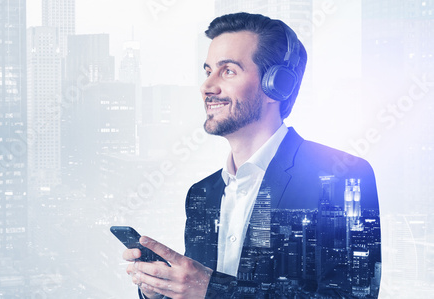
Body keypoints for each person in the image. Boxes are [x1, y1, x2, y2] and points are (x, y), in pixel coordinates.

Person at [122, 12, 381, 299]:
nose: (207, 86)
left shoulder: (341, 177)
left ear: (277, 85)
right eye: (208, 71)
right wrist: (162, 289)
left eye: (228, 71)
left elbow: (354, 296)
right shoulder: (201, 195)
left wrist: (212, 289)